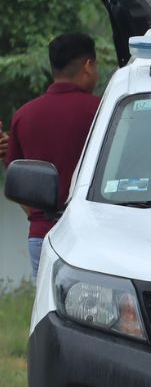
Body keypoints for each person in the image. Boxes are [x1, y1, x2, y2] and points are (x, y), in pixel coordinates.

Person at [5, 33, 101, 279]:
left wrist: (39, 215)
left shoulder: (24, 115)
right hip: (91, 236)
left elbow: (18, 184)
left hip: (42, 236)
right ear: (88, 66)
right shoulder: (101, 112)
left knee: (46, 313)